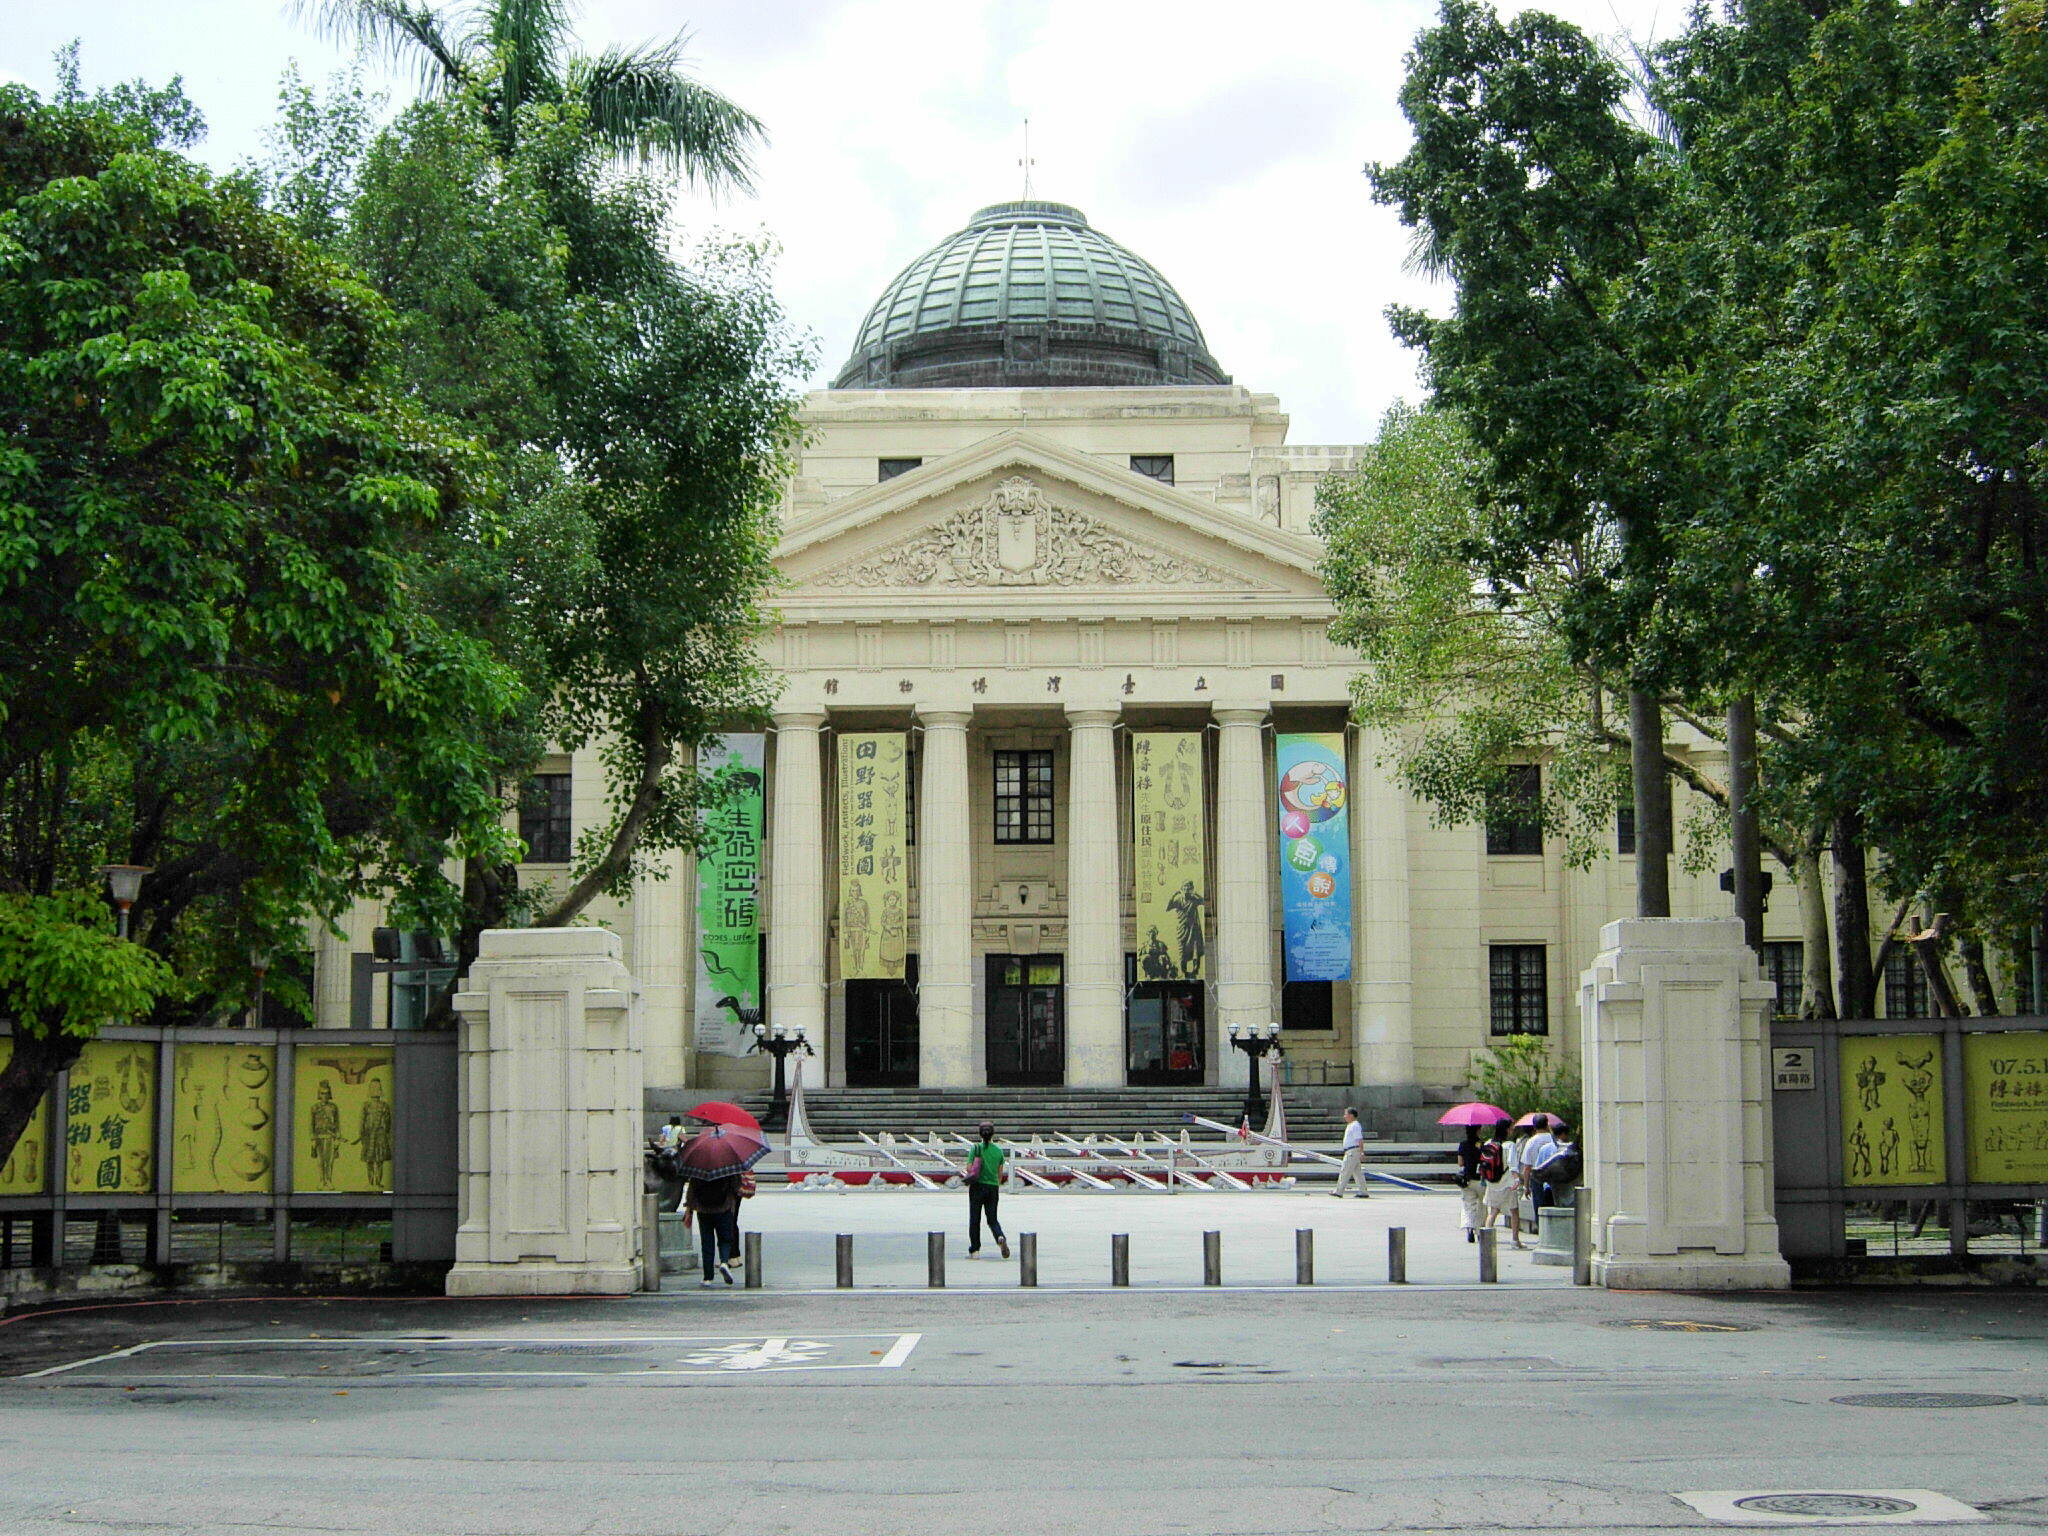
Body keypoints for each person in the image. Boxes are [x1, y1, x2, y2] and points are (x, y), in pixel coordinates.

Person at [683, 1164, 743, 1287]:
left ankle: (707, 1277)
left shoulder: (698, 1164)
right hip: (723, 1207)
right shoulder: (728, 1163)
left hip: (703, 1209)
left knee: (707, 1242)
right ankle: (725, 1262)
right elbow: (736, 1186)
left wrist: (689, 1211)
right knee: (725, 1239)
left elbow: (692, 1190)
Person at [965, 1121, 1010, 1259]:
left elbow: (969, 1169)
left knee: (975, 1219)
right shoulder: (998, 1151)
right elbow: (1000, 1174)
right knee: (992, 1219)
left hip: (977, 1186)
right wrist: (995, 1184)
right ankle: (999, 1236)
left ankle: (975, 1250)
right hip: (992, 1188)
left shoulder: (976, 1148)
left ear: (980, 1133)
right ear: (993, 1134)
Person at [1481, 1121, 1522, 1248]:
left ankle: (1486, 1239)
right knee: (1514, 1211)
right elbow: (1512, 1164)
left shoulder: (1488, 1143)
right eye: (1511, 1129)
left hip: (1492, 1182)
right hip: (1507, 1182)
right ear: (1506, 1130)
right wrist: (1517, 1179)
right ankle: (1515, 1240)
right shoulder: (1509, 1145)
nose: (1512, 1131)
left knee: (1493, 1211)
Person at [1452, 1123, 1485, 1239]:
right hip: (1480, 1179)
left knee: (1468, 1205)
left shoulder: (1463, 1144)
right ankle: (1480, 1230)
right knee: (1481, 1204)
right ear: (1478, 1130)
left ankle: (1470, 1228)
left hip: (1467, 1179)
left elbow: (1460, 1163)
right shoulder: (1482, 1145)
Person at [1332, 1107, 1369, 1198]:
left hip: (1352, 1151)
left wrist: (1362, 1152)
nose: (1344, 1116)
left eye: (1346, 1114)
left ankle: (1339, 1191)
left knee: (1345, 1170)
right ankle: (1363, 1191)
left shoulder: (1355, 1125)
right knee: (1357, 1172)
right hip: (1353, 1151)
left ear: (1351, 1115)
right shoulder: (1351, 1125)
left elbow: (1359, 1139)